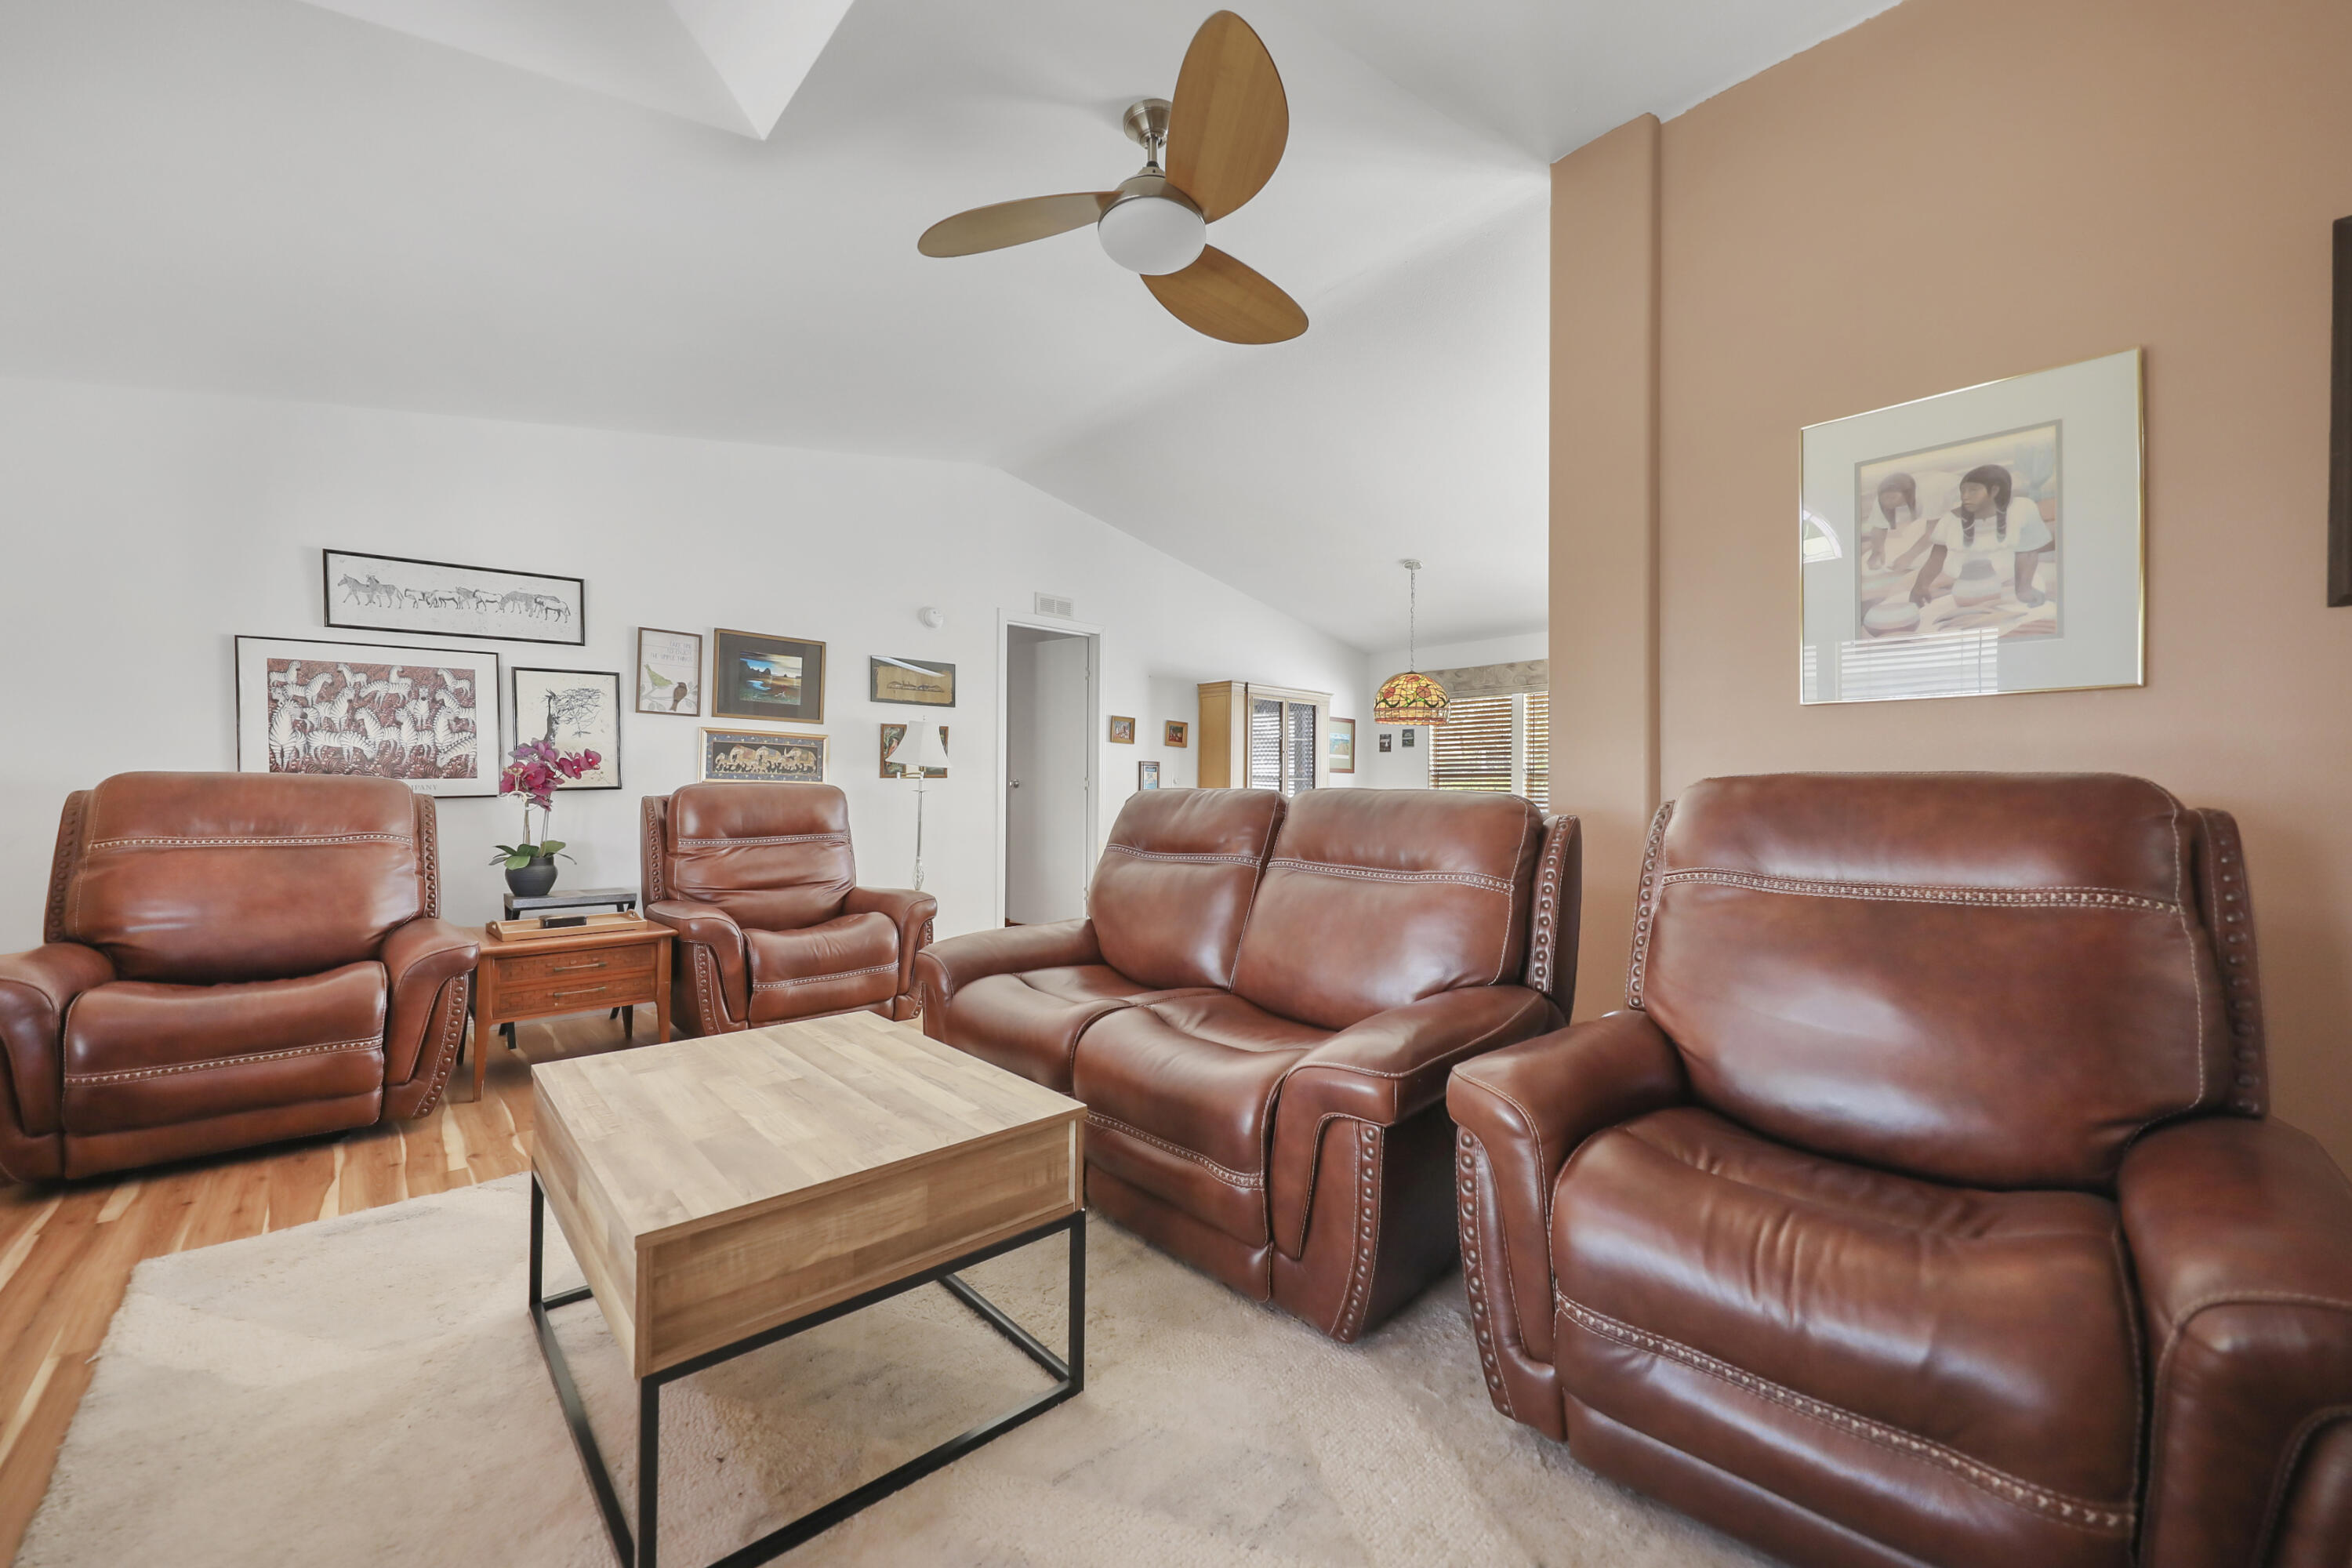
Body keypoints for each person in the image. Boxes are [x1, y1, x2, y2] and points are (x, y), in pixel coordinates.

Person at [1907, 463, 2055, 608]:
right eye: (1963, 491)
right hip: (1963, 589)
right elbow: (1936, 559)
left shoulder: (2022, 508)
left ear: (1995, 490)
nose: (1965, 496)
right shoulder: (1950, 520)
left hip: (2016, 583)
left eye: (1973, 490)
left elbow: (2028, 552)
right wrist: (1920, 587)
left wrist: (2024, 589)